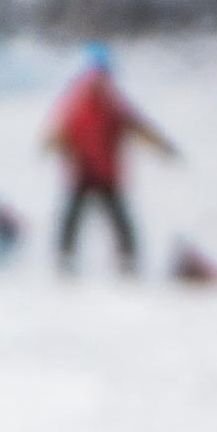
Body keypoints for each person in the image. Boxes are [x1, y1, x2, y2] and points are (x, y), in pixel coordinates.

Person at [41, 46, 177, 278]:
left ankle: (125, 258)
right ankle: (67, 257)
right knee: (77, 217)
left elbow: (134, 125)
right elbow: (63, 130)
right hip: (85, 172)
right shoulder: (81, 100)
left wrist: (160, 145)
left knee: (115, 218)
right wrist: (54, 144)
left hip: (104, 172)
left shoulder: (108, 101)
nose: (101, 78)